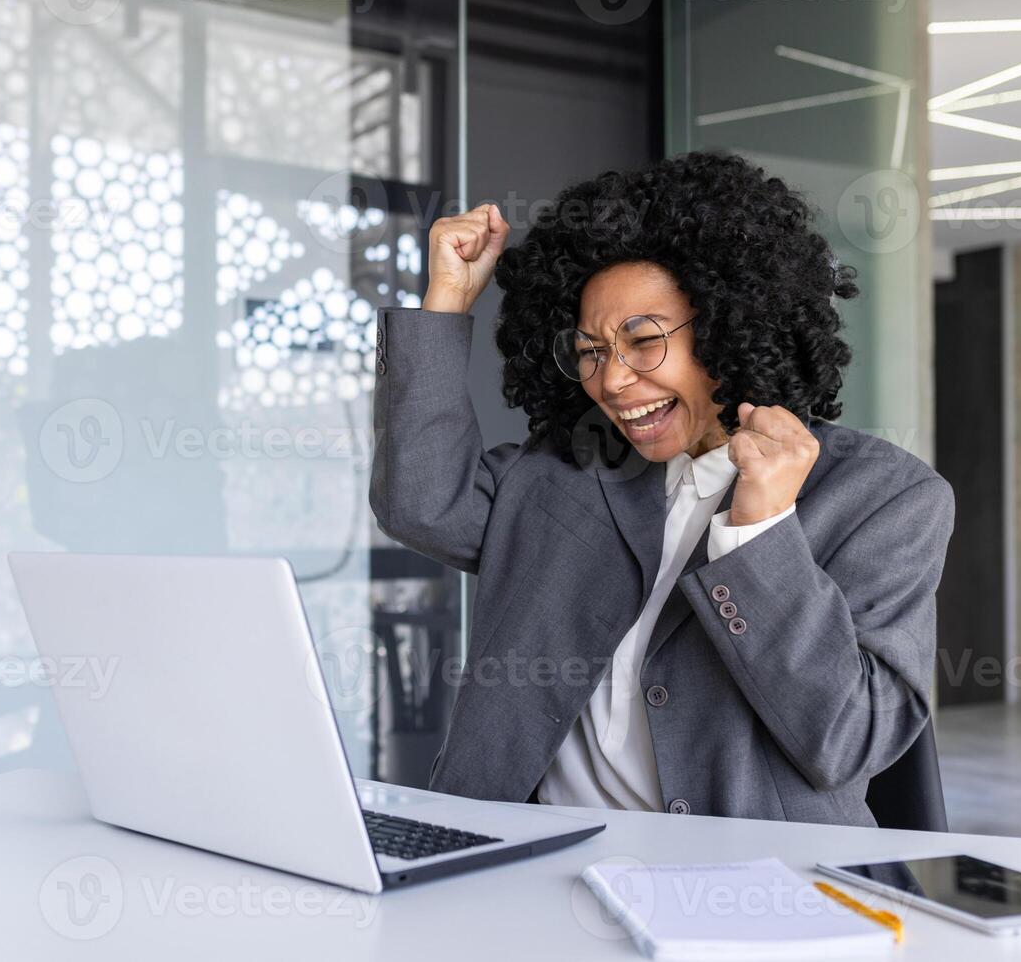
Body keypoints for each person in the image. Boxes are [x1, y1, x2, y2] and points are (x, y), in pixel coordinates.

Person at [368, 151, 955, 826]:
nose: (611, 381)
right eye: (591, 350)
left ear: (728, 326)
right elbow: (420, 503)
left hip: (753, 890)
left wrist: (759, 533)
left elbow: (849, 737)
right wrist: (446, 304)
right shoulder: (565, 468)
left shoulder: (885, 497)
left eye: (642, 341)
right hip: (527, 863)